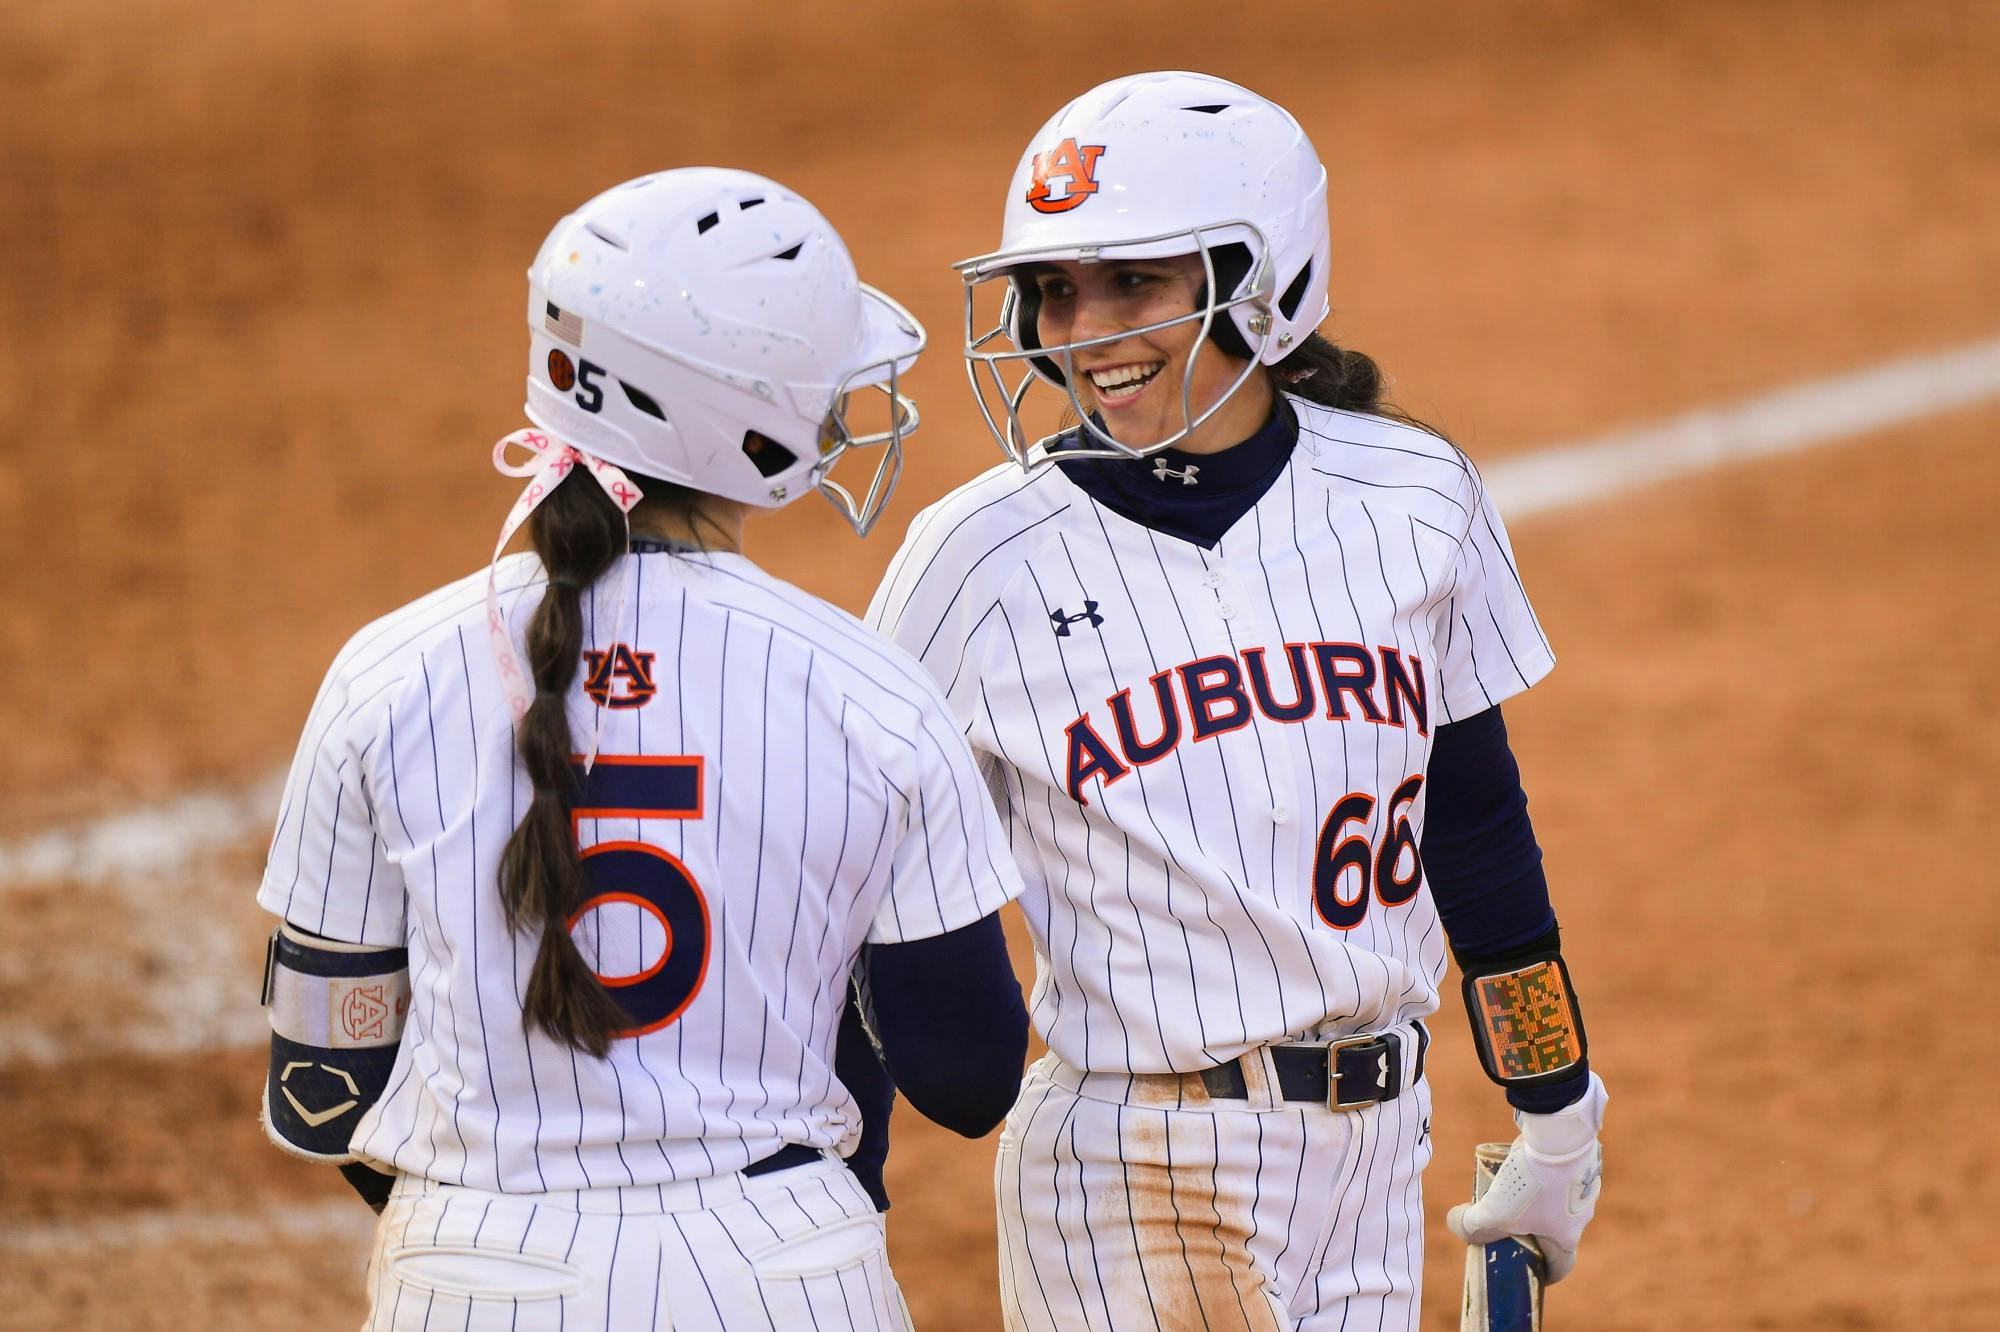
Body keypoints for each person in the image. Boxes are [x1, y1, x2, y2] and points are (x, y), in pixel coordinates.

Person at [868, 72, 1607, 1330]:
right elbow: (852, 886)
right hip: (1135, 1163)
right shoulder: (973, 559)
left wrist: (1556, 1111)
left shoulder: (1411, 495)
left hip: (1379, 1156)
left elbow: (1473, 834)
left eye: (1132, 283)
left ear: (1259, 284)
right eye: (1053, 290)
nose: (1080, 329)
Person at [255, 167, 1030, 1331]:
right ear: (745, 411)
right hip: (781, 1275)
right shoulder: (868, 690)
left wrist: (507, 1226)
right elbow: (969, 1079)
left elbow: (322, 1093)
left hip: (472, 1273)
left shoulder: (387, 672)